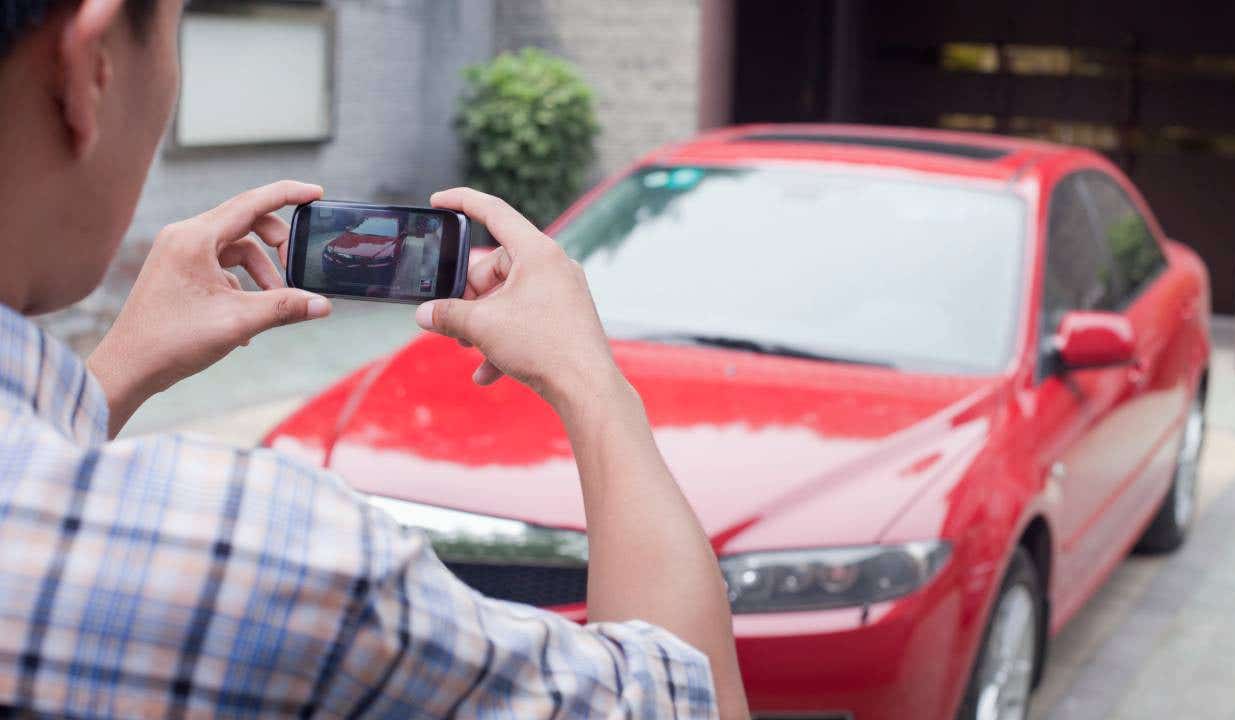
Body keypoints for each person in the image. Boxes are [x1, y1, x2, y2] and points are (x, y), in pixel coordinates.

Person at [0, 0, 748, 717]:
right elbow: (685, 698)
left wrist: (116, 372)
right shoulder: (256, 551)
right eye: (175, 25)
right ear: (88, 64)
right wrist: (590, 381)